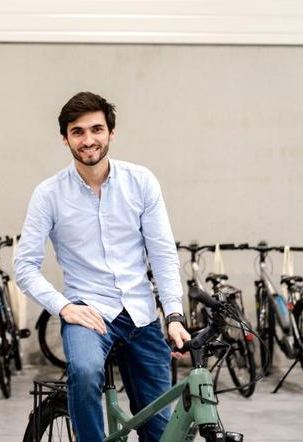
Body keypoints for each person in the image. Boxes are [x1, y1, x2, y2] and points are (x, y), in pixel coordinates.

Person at [14, 92, 190, 441]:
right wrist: (63, 307)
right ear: (65, 138)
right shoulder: (49, 194)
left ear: (111, 132)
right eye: (77, 132)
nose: (88, 139)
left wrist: (174, 314)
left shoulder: (140, 182)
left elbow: (162, 253)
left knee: (160, 431)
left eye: (96, 129)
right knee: (84, 369)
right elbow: (24, 266)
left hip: (140, 314)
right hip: (88, 312)